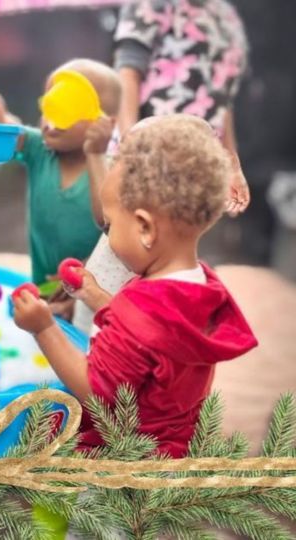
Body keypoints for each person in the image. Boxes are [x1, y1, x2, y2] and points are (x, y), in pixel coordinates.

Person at [13, 114, 258, 457]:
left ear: (145, 227)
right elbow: (146, 337)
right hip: (170, 445)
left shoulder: (146, 307)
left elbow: (96, 395)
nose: (108, 235)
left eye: (111, 224)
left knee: (40, 429)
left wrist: (43, 328)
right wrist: (95, 295)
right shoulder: (202, 285)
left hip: (120, 457)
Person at [71, 0, 251, 333]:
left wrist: (231, 162)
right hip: (148, 156)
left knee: (174, 259)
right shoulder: (153, 4)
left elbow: (222, 99)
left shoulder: (225, 18)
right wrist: (131, 147)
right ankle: (89, 341)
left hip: (195, 164)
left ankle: (159, 343)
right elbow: (129, 74)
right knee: (123, 250)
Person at [0, 56, 121, 298]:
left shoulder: (111, 168)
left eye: (68, 109)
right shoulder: (40, 150)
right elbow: (2, 127)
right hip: (43, 292)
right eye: (49, 107)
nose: (51, 121)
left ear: (106, 123)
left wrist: (84, 272)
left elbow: (115, 230)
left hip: (94, 296)